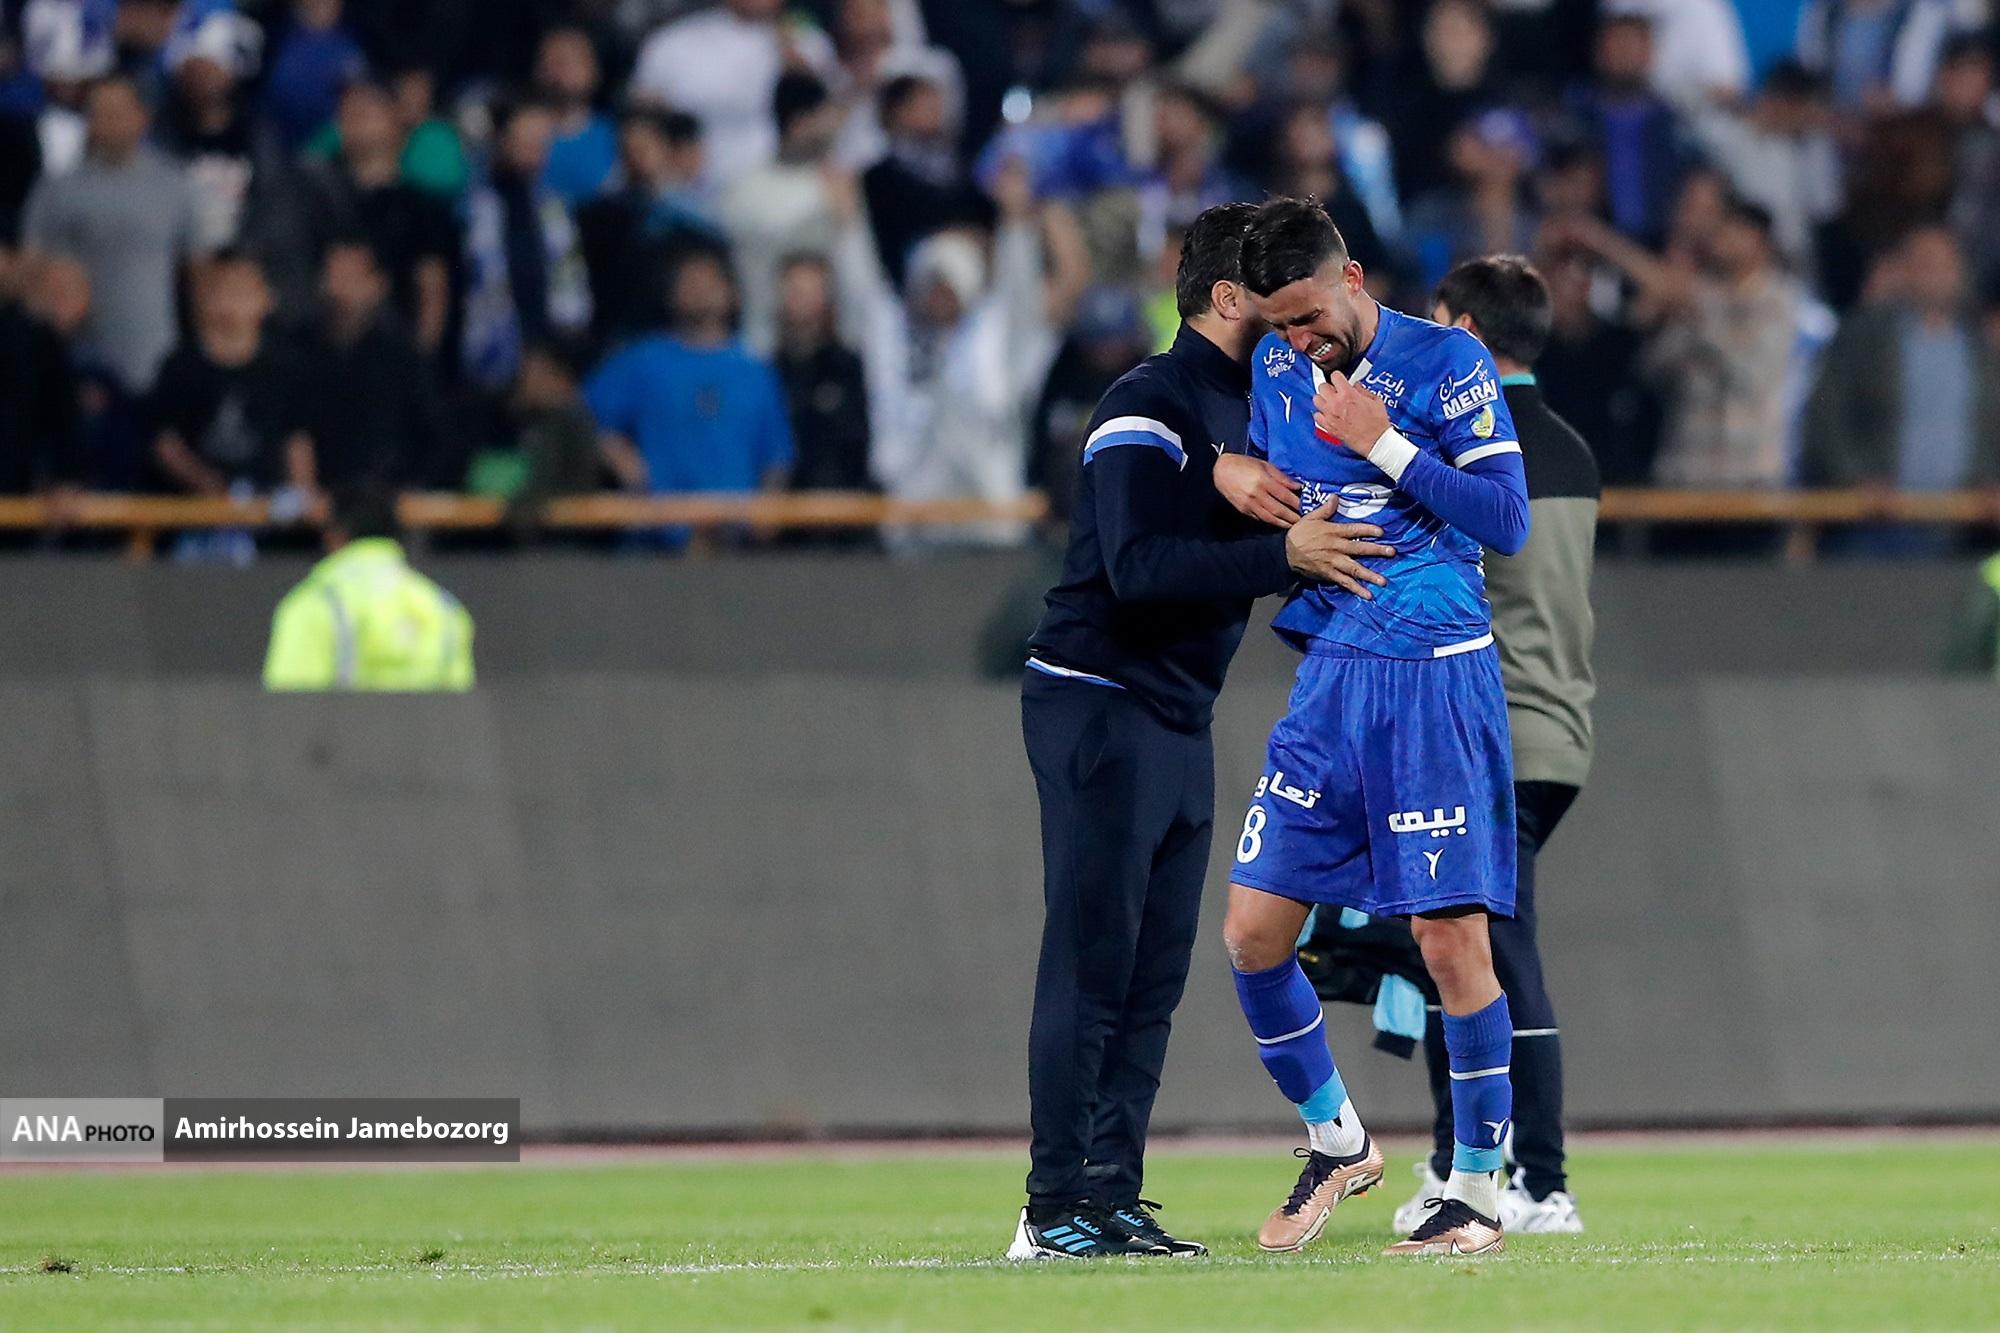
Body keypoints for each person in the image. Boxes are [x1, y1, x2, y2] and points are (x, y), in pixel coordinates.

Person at [1009, 201, 1398, 1262]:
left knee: (1149, 977)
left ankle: (1110, 1194)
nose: (1290, 313)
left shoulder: (1254, 406)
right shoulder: (1148, 399)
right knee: (1092, 960)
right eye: (1268, 291)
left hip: (1176, 712)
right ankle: (1053, 1206)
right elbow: (1133, 568)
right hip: (1099, 695)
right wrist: (1276, 549)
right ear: (1228, 296)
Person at [1216, 198, 1527, 1258]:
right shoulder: (1271, 366)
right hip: (1330, 681)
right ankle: (1337, 1141)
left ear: (1351, 279)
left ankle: (1474, 1194)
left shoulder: (1448, 362)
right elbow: (1273, 483)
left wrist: (1384, 442)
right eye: (1278, 324)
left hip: (1434, 680)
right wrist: (1229, 474)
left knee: (1450, 941)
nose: (1297, 340)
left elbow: (1505, 518)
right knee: (1253, 934)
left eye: (1308, 315)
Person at [1393, 255, 1599, 1237]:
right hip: (1558, 728)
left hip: (1490, 734)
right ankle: (1456, 1168)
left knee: (1495, 958)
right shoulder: (1572, 447)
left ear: (1467, 332)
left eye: (1438, 326)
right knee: (1455, 951)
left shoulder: (1470, 445)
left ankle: (1541, 1182)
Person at [585, 248, 793, 542]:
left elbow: (776, 454)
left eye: (710, 283)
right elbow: (583, 416)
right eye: (691, 283)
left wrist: (767, 521)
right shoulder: (642, 361)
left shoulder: (754, 370)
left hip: (734, 539)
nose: (701, 291)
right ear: (672, 294)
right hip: (656, 538)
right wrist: (625, 462)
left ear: (731, 294)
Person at [20, 73, 199, 393]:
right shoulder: (57, 189)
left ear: (143, 117)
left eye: (118, 111)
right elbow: (31, 269)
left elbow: (197, 271)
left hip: (155, 352)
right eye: (99, 113)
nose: (109, 122)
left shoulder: (174, 185)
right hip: (73, 356)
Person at [263, 486, 474, 693]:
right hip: (432, 719)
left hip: (338, 718)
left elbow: (287, 705)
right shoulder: (446, 609)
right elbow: (463, 706)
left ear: (334, 535)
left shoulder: (313, 606)